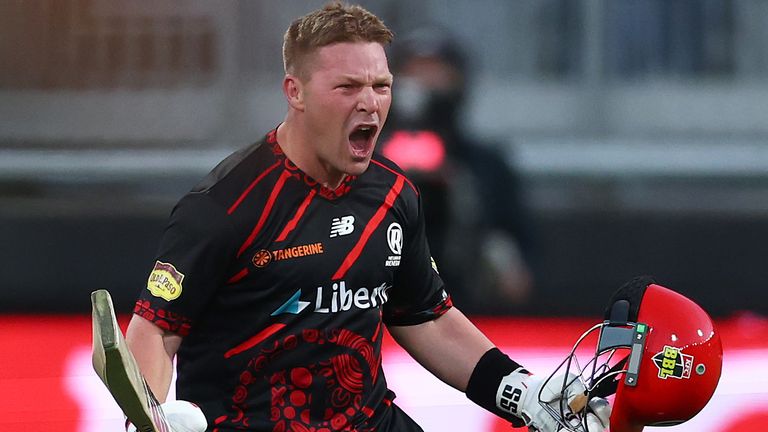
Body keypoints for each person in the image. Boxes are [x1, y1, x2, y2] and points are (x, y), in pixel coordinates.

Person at [125, 2, 609, 431]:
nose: (370, 103)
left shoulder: (393, 193)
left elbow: (428, 318)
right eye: (348, 86)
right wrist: (149, 418)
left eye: (381, 86)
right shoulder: (225, 205)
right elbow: (154, 329)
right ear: (295, 92)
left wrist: (520, 391)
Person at [379, 25, 534, 313]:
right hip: (375, 311)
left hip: (466, 310)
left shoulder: (486, 166)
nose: (425, 85)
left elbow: (521, 273)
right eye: (414, 73)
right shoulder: (362, 159)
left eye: (437, 74)